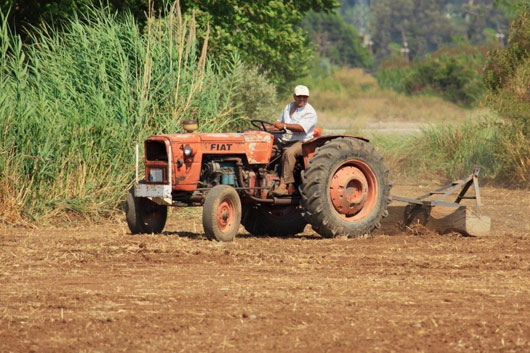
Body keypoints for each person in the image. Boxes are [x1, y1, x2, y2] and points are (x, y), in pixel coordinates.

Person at [271, 85, 317, 196]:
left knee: (289, 153)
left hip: (302, 142)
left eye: (304, 97)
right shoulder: (288, 107)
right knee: (268, 150)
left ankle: (284, 185)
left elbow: (301, 128)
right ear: (294, 97)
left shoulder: (310, 112)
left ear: (308, 98)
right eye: (299, 96)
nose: (302, 99)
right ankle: (266, 178)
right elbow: (278, 123)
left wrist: (284, 125)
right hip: (285, 139)